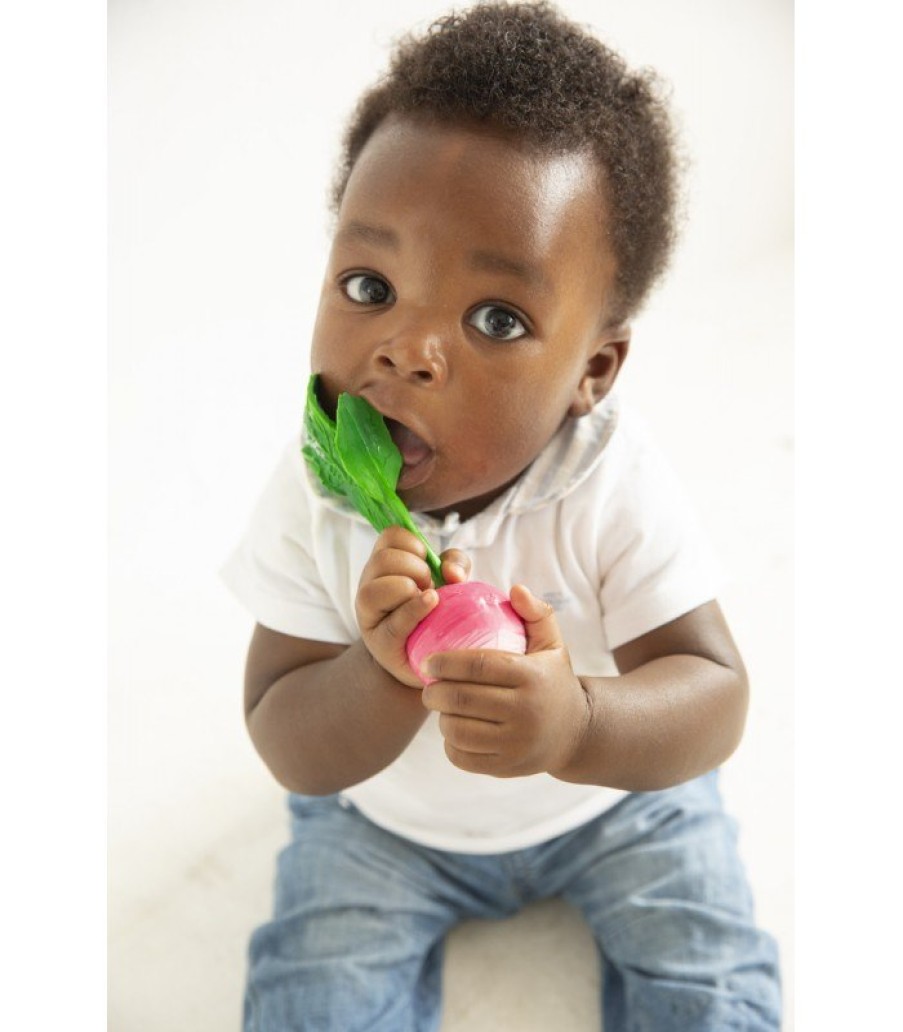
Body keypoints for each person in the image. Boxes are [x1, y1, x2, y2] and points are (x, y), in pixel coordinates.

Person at [222, 2, 782, 1028]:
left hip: (612, 807)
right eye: (369, 283)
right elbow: (286, 740)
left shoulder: (608, 480)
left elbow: (716, 693)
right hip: (385, 829)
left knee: (714, 988)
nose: (406, 350)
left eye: (496, 319)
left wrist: (579, 722)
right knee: (311, 1001)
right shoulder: (314, 496)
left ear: (593, 371)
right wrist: (380, 672)